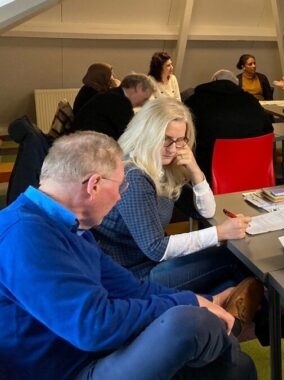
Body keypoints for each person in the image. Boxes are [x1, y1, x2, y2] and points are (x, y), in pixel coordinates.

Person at [0, 131, 258, 380]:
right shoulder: (23, 235)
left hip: (91, 354)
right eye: (120, 184)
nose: (121, 194)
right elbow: (93, 326)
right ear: (94, 185)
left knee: (227, 354)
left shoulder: (72, 228)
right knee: (190, 324)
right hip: (69, 369)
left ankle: (227, 336)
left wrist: (204, 300)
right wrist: (192, 306)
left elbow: (133, 289)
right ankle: (230, 334)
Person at [92, 97, 254, 293]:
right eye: (166, 139)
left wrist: (195, 171)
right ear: (147, 135)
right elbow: (156, 249)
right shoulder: (133, 176)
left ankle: (232, 315)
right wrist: (220, 233)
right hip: (132, 277)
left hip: (148, 265)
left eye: (180, 141)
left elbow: (204, 211)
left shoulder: (161, 166)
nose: (173, 149)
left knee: (228, 283)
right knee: (232, 259)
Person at [185, 69, 274, 185]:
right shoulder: (251, 100)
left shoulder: (195, 100)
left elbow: (185, 132)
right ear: (235, 84)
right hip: (252, 167)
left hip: (210, 168)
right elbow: (269, 129)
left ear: (214, 81)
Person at [70, 74, 154, 140]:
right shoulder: (121, 102)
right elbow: (129, 136)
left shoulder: (113, 94)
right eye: (146, 98)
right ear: (138, 87)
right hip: (87, 148)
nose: (144, 103)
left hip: (81, 140)